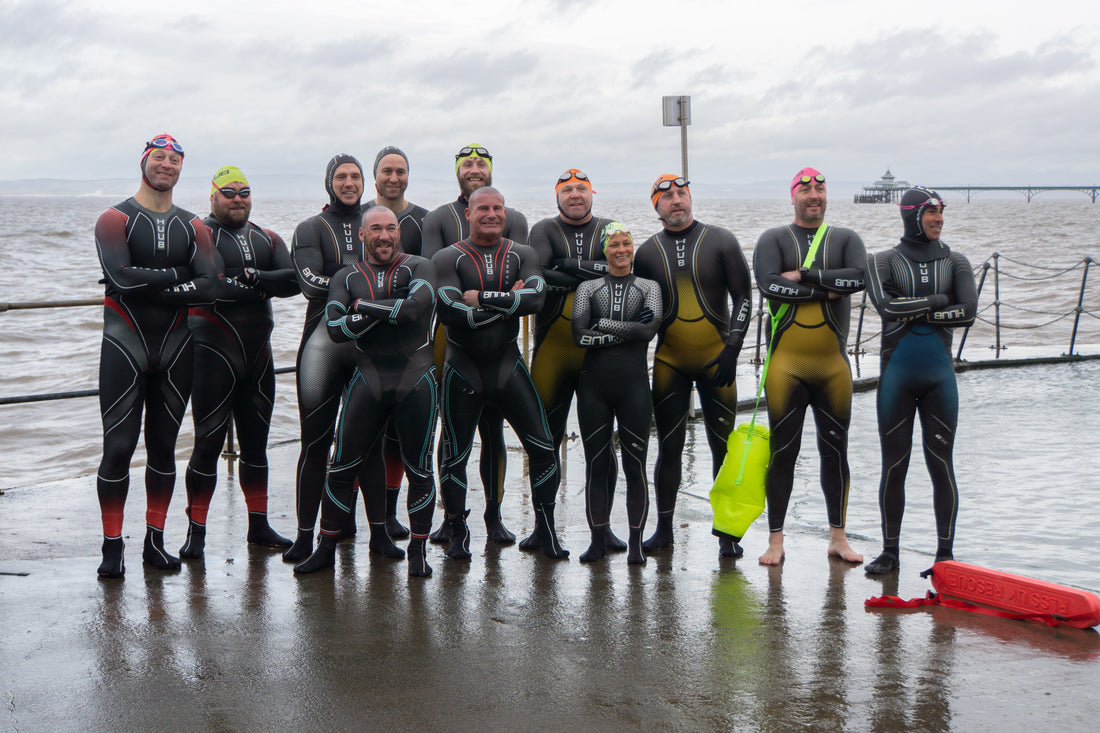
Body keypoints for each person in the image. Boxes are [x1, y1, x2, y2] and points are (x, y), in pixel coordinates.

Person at [93, 134, 219, 577]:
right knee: (118, 449)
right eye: (159, 157)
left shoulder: (193, 225)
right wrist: (180, 275)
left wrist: (155, 283)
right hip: (124, 346)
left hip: (175, 348)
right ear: (144, 162)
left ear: (181, 168)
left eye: (174, 160)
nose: (166, 165)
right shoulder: (114, 219)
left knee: (164, 450)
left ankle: (154, 542)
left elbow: (210, 286)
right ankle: (112, 548)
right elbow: (121, 277)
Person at [294, 206, 439, 577]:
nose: (384, 236)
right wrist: (387, 309)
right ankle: (325, 548)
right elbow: (335, 328)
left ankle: (418, 553)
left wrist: (361, 307)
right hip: (368, 379)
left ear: (399, 232)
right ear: (362, 235)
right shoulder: (347, 276)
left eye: (391, 228)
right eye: (376, 229)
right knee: (341, 467)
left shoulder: (420, 266)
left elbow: (415, 309)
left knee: (419, 470)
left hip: (415, 379)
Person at [431, 186, 568, 560]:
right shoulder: (448, 257)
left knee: (543, 448)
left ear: (505, 213)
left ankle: (544, 529)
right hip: (463, 368)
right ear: (468, 214)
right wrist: (511, 300)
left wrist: (481, 298)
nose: (491, 214)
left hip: (508, 366)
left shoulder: (523, 254)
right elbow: (450, 311)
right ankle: (458, 530)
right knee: (454, 455)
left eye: (498, 208)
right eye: (483, 209)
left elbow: (536, 299)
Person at [178, 166, 300, 559]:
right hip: (211, 354)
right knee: (207, 444)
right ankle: (196, 534)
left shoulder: (267, 237)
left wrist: (250, 277)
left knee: (256, 447)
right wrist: (261, 284)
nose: (237, 199)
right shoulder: (200, 233)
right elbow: (211, 285)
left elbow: (293, 281)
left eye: (244, 192)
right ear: (212, 195)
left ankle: (259, 527)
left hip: (258, 356)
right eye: (228, 192)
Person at [633, 175, 752, 557]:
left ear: (690, 198)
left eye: (681, 193)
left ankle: (727, 533)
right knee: (669, 448)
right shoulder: (647, 252)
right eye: (667, 196)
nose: (676, 200)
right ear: (656, 207)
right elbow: (642, 312)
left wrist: (734, 347)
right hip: (670, 361)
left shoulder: (721, 240)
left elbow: (744, 297)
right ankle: (663, 530)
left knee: (724, 449)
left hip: (718, 358)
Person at [752, 167, 867, 566]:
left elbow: (858, 279)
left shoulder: (846, 239)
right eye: (805, 189)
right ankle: (775, 541)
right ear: (793, 196)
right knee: (783, 452)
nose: (813, 194)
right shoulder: (773, 239)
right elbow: (768, 284)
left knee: (835, 451)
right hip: (786, 367)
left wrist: (804, 275)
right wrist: (826, 290)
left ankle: (838, 537)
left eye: (820, 188)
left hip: (833, 367)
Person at [864, 187, 977, 575]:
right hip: (897, 378)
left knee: (942, 465)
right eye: (931, 212)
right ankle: (890, 552)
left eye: (942, 211)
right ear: (912, 215)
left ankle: (945, 555)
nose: (939, 218)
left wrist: (916, 310)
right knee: (894, 465)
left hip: (939, 379)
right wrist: (940, 300)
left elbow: (968, 313)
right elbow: (886, 307)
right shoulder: (882, 261)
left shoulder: (956, 261)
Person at [422, 144, 529, 545]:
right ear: (457, 172)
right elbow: (434, 278)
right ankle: (451, 517)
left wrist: (479, 297)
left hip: (500, 340)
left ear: (490, 171)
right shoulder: (437, 218)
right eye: (466, 163)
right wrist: (501, 296)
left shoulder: (512, 217)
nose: (474, 169)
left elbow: (523, 281)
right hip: (450, 337)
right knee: (450, 430)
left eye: (480, 163)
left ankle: (494, 515)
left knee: (494, 429)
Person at [283, 154, 372, 563]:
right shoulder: (310, 228)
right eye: (341, 177)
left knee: (365, 441)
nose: (349, 183)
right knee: (315, 442)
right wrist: (362, 286)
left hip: (368, 345)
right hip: (321, 345)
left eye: (355, 176)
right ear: (328, 182)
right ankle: (305, 535)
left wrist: (344, 280)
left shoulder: (377, 221)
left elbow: (395, 275)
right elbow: (309, 282)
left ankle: (365, 528)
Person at [571, 222, 661, 564]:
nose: (621, 250)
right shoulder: (588, 288)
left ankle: (635, 544)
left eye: (626, 243)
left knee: (635, 466)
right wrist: (629, 330)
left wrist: (604, 324)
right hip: (593, 387)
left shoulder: (649, 287)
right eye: (614, 245)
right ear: (604, 251)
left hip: (634, 387)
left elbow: (649, 331)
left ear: (632, 248)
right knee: (596, 465)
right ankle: (598, 540)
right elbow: (580, 335)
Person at [366, 145, 430, 540]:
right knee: (362, 436)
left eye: (400, 171)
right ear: (375, 176)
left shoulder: (423, 220)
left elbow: (431, 277)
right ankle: (360, 519)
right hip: (364, 345)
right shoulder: (363, 216)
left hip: (410, 344)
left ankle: (390, 515)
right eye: (386, 171)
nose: (393, 177)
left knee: (400, 439)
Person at [528, 169, 613, 463]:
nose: (574, 195)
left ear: (592, 194)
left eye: (581, 189)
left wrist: (566, 264)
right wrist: (593, 273)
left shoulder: (609, 228)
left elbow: (620, 274)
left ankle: (598, 499)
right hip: (552, 354)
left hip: (598, 355)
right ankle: (545, 498)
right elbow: (539, 277)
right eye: (567, 190)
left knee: (601, 446)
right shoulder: (543, 229)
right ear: (557, 198)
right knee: (543, 444)